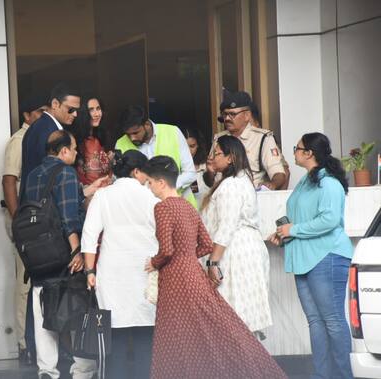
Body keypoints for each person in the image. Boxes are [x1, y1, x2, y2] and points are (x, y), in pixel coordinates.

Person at [142, 156, 287, 379]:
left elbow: (167, 250)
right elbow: (206, 244)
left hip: (175, 278)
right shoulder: (187, 206)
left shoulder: (162, 208)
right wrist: (188, 256)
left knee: (176, 336)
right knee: (213, 330)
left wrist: (154, 262)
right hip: (195, 274)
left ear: (161, 183)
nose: (148, 187)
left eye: (149, 182)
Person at [269, 132, 353, 379]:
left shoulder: (329, 183)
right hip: (305, 258)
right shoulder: (307, 181)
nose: (293, 151)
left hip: (327, 256)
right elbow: (303, 219)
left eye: (297, 148)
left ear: (309, 154)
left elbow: (329, 220)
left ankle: (343, 375)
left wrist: (293, 229)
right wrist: (284, 233)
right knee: (315, 321)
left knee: (333, 320)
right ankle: (321, 375)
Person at [24, 130, 99, 379]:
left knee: (42, 309)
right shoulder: (65, 173)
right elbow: (68, 216)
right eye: (75, 149)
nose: (77, 153)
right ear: (63, 150)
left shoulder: (34, 174)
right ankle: (83, 369)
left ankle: (47, 370)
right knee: (76, 307)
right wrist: (78, 251)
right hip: (61, 253)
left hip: (37, 254)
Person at [82, 150, 157, 379]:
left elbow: (89, 235)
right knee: (146, 335)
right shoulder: (152, 197)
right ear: (136, 171)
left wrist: (90, 271)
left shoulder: (103, 196)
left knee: (115, 336)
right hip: (146, 272)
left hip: (112, 275)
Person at [200, 135, 272, 332]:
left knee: (235, 314)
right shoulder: (238, 180)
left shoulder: (232, 185)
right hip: (240, 248)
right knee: (241, 316)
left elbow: (226, 226)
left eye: (217, 153)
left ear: (230, 157)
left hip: (236, 251)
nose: (213, 157)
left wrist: (213, 262)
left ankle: (243, 361)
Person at [2, 96, 48, 366]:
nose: (43, 118)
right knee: (24, 284)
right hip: (26, 225)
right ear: (27, 114)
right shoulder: (21, 140)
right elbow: (9, 180)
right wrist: (19, 221)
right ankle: (24, 345)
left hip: (37, 224)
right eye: (40, 113)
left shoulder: (36, 138)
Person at [115, 105, 197, 207]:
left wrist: (166, 187)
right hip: (143, 212)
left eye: (135, 132)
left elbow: (190, 173)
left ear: (147, 124)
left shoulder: (173, 132)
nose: (132, 138)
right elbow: (120, 183)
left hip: (182, 208)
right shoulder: (120, 144)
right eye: (128, 134)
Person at [204, 90, 287, 190]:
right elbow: (209, 181)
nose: (227, 118)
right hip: (222, 195)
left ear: (247, 115)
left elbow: (278, 173)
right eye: (225, 114)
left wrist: (272, 185)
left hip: (250, 198)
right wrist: (210, 172)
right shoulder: (219, 139)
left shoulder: (262, 138)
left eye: (232, 114)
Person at [19, 83, 81, 200]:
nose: (75, 114)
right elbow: (51, 175)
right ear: (55, 104)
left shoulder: (39, 126)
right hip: (45, 207)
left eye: (77, 110)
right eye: (70, 109)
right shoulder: (50, 131)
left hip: (34, 205)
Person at [71, 96, 112, 185]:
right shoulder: (85, 141)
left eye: (98, 108)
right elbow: (93, 179)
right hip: (95, 193)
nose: (96, 114)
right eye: (91, 110)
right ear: (82, 113)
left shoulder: (97, 136)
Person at [182, 127, 209, 203]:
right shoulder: (174, 168)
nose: (188, 151)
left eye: (192, 146)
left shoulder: (207, 166)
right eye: (184, 146)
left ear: (198, 145)